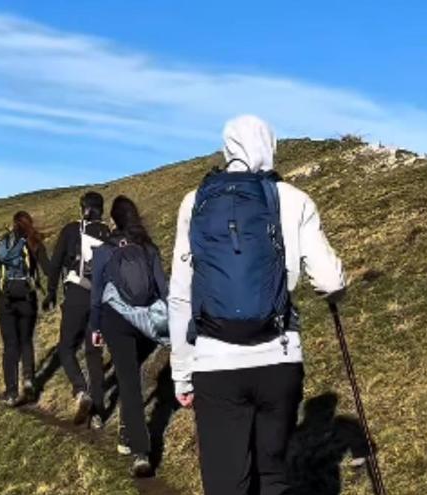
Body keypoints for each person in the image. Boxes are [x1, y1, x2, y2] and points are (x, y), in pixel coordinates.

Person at [169, 115, 346, 495]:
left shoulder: (194, 202)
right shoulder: (295, 200)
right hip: (279, 359)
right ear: (271, 145)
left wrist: (182, 373)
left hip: (215, 363)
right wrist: (336, 293)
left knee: (225, 485)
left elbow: (181, 294)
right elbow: (329, 281)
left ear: (227, 147)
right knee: (274, 479)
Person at [89, 195, 168, 478]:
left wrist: (95, 329)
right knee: (134, 375)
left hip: (115, 321)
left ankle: (140, 452)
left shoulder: (103, 252)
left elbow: (96, 295)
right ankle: (127, 435)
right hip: (145, 322)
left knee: (129, 382)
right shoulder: (148, 247)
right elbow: (163, 289)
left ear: (114, 220)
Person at [42, 192, 111, 428]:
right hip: (102, 302)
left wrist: (50, 292)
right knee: (94, 354)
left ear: (84, 208)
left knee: (65, 348)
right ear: (102, 210)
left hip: (77, 295)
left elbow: (55, 263)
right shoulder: (109, 234)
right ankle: (99, 414)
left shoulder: (73, 229)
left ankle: (81, 391)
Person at [0, 211, 51, 407]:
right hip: (28, 299)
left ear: (13, 225)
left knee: (10, 345)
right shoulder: (35, 243)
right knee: (26, 340)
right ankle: (28, 379)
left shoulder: (4, 244)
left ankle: (11, 392)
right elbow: (48, 270)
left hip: (7, 300)